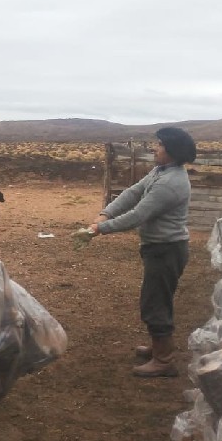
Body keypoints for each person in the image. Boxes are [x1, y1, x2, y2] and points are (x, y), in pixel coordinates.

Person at [76, 126, 197, 377]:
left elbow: (138, 215)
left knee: (154, 303)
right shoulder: (161, 171)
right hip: (160, 248)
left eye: (160, 145)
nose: (156, 148)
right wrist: (105, 212)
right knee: (158, 298)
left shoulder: (171, 183)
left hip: (166, 250)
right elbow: (133, 193)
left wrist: (100, 228)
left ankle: (164, 361)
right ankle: (157, 348)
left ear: (173, 151)